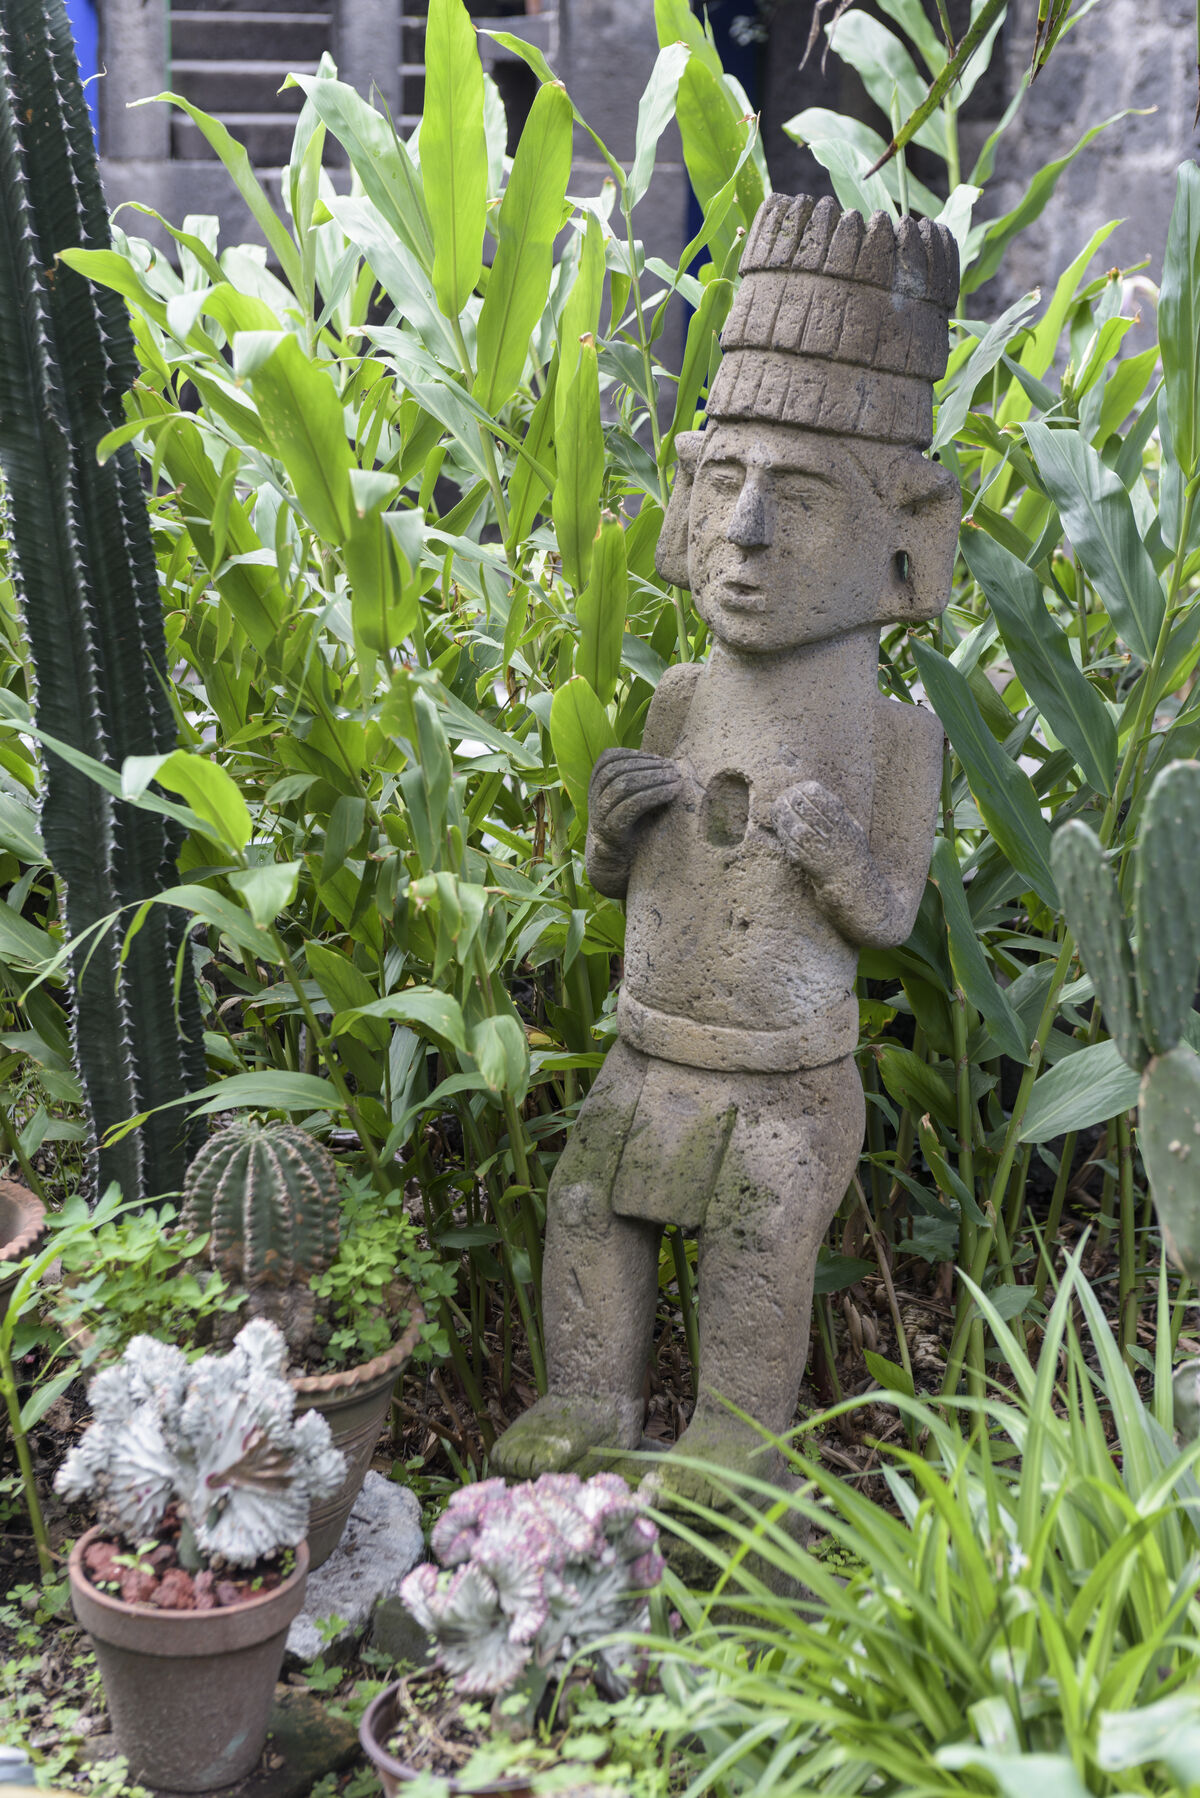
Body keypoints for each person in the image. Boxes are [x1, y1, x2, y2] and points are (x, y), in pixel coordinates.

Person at [494, 194, 961, 1505]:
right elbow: (614, 884)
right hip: (653, 1049)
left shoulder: (892, 738)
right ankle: (589, 1395)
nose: (745, 535)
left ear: (908, 550)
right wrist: (608, 828)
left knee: (762, 1236)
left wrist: (839, 862)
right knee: (590, 1205)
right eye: (724, 485)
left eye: (798, 501)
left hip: (786, 1085)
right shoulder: (679, 706)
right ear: (685, 497)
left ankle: (734, 1432)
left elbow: (892, 917)